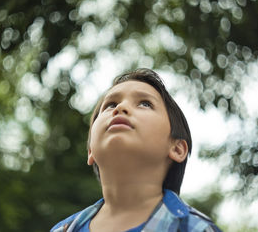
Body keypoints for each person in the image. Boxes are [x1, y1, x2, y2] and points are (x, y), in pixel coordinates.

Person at [50, 68, 222, 232]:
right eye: (110, 105)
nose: (120, 108)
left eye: (145, 104)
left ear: (177, 148)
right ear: (90, 151)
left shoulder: (196, 228)